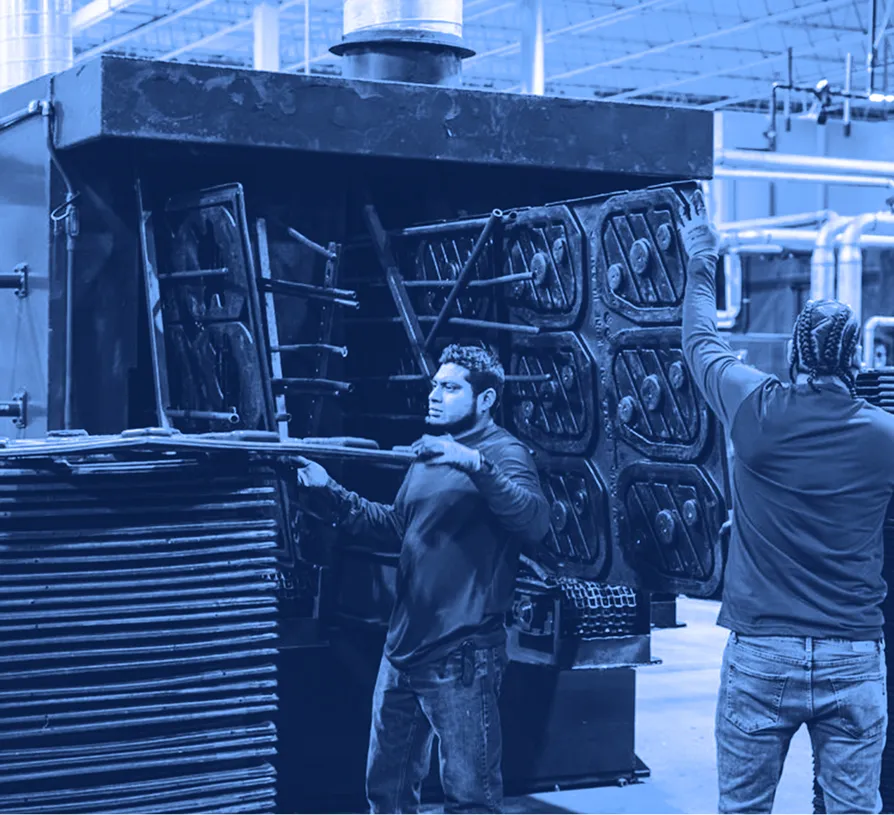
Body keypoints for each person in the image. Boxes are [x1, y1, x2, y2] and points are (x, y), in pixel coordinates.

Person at [678, 189, 894, 815]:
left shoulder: (754, 408)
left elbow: (698, 341)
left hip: (761, 650)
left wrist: (702, 261)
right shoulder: (884, 435)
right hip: (854, 653)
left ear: (796, 351)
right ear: (857, 358)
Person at [293, 343, 551, 814]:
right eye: (435, 384)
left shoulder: (503, 453)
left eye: (450, 387)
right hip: (403, 651)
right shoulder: (429, 453)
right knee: (386, 794)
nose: (434, 394)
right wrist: (327, 490)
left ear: (486, 399)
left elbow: (534, 521)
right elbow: (395, 527)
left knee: (471, 800)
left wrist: (474, 465)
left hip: (461, 656)